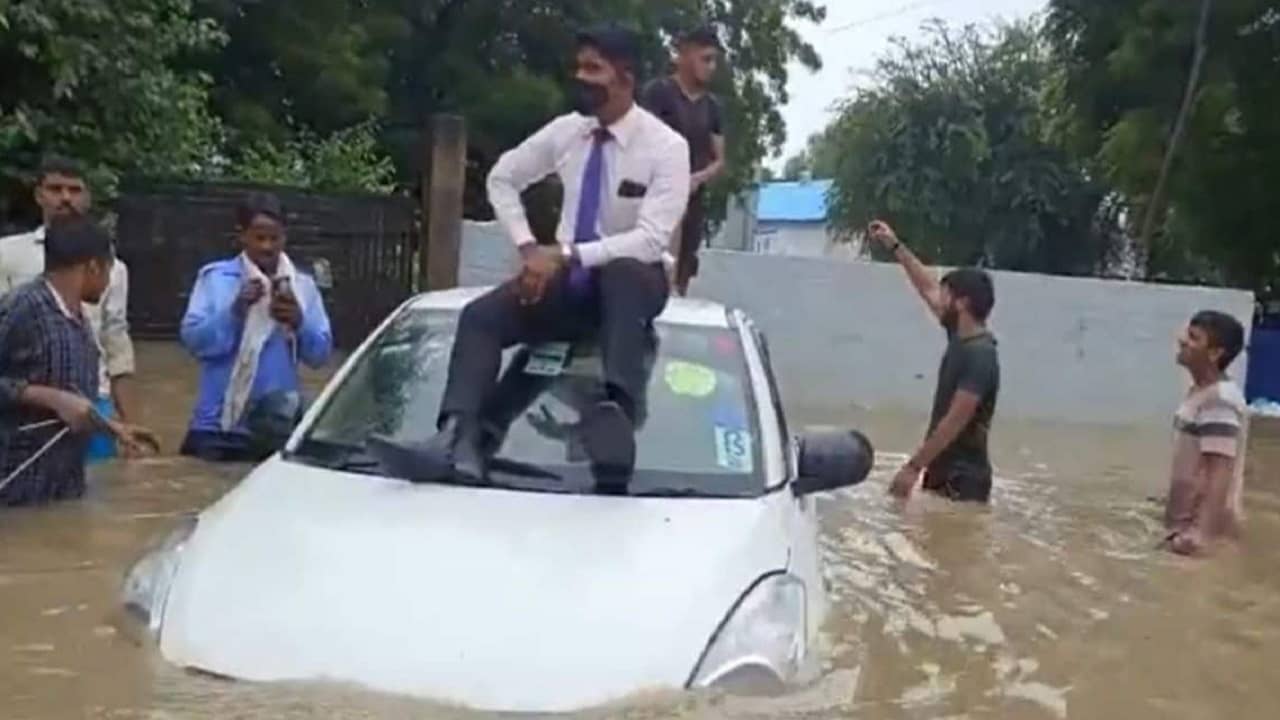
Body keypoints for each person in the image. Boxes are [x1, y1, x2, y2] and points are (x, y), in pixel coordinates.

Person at [421, 25, 690, 485]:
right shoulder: (568, 132)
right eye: (579, 66)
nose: (579, 77)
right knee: (480, 317)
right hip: (568, 288)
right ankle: (456, 436)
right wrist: (529, 249)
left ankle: (616, 416)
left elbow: (650, 239)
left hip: (635, 288)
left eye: (593, 68)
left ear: (624, 76)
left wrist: (565, 254)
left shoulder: (667, 147)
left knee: (622, 271)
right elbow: (501, 179)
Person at [0, 218, 157, 506]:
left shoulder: (80, 320)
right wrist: (50, 397)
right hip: (13, 491)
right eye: (109, 271)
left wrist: (113, 428)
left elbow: (72, 405)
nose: (110, 282)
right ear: (94, 267)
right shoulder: (23, 308)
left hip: (60, 493)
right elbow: (58, 399)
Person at [0, 156, 138, 462]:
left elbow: (116, 342)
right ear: (39, 195)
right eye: (55, 189)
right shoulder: (7, 257)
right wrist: (47, 397)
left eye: (74, 190)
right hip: (25, 415)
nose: (65, 198)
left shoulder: (114, 267)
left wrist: (124, 423)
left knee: (88, 491)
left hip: (93, 402)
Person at [178, 192, 333, 462]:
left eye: (275, 238)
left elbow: (320, 356)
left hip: (277, 428)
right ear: (242, 235)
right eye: (259, 237)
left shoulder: (302, 287)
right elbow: (194, 342)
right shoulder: (216, 279)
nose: (267, 246)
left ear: (285, 236)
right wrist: (235, 312)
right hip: (216, 427)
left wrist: (299, 322)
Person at [868, 220, 1001, 503]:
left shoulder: (980, 355)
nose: (938, 299)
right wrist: (894, 246)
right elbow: (926, 287)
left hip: (964, 480)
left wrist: (913, 467)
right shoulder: (960, 335)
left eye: (946, 295)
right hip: (943, 471)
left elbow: (955, 420)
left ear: (961, 303)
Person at [640, 25, 727, 297]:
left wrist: (696, 179)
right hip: (655, 198)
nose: (711, 67)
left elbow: (719, 160)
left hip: (692, 203)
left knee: (681, 275)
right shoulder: (659, 92)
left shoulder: (712, 107)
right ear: (686, 55)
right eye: (706, 59)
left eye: (714, 60)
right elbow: (641, 141)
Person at [1163, 310, 1248, 556]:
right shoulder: (1201, 392)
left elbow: (1219, 471)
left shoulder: (1218, 401)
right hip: (1184, 528)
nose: (1182, 340)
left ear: (1215, 353)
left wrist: (1201, 533)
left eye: (1193, 337)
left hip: (1197, 536)